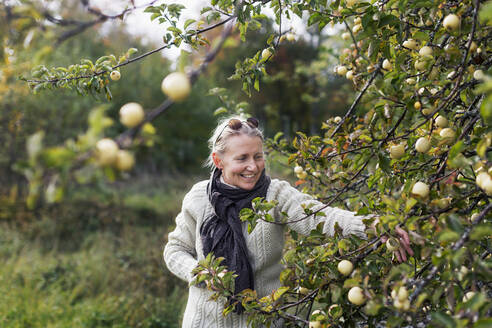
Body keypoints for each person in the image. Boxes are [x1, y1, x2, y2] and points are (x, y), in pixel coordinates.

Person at [163, 116, 413, 328]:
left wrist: (374, 226)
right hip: (204, 322)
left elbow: (322, 216)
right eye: (242, 158)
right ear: (219, 161)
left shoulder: (275, 195)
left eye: (258, 156)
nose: (253, 166)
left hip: (264, 321)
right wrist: (199, 273)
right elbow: (175, 250)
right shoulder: (198, 197)